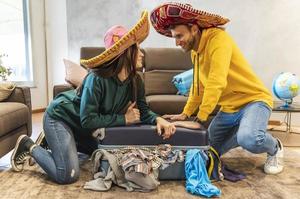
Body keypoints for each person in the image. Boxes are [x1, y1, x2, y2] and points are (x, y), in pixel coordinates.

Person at [10, 11, 176, 184]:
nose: (142, 53)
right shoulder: (97, 79)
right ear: (125, 52)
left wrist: (158, 119)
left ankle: (52, 141)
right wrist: (123, 119)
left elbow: (143, 111)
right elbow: (88, 120)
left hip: (81, 127)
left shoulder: (136, 80)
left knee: (108, 154)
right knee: (67, 174)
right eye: (137, 48)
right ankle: (29, 146)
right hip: (60, 118)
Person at [150, 2, 284, 174]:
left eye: (179, 36)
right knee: (208, 151)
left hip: (254, 101)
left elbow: (216, 82)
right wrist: (186, 113)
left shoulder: (219, 39)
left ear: (194, 29)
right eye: (174, 37)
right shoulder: (195, 52)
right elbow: (198, 86)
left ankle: (274, 147)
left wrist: (200, 119)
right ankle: (244, 130)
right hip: (229, 109)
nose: (176, 42)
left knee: (249, 139)